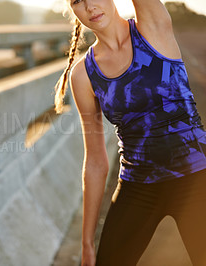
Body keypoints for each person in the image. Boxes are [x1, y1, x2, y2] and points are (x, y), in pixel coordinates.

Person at [54, 0, 206, 265]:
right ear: (72, 10)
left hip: (196, 177)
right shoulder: (83, 75)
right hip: (137, 187)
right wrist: (87, 242)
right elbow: (95, 161)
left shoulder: (153, 27)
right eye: (78, 1)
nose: (90, 6)